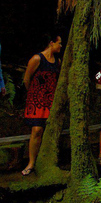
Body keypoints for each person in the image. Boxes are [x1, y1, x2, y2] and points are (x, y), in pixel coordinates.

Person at [22, 33, 62, 175]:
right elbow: (27, 79)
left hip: (50, 100)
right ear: (51, 43)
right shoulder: (37, 58)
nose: (61, 46)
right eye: (59, 43)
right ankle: (31, 162)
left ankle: (45, 160)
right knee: (36, 130)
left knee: (48, 130)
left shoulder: (58, 61)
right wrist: (34, 94)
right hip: (37, 100)